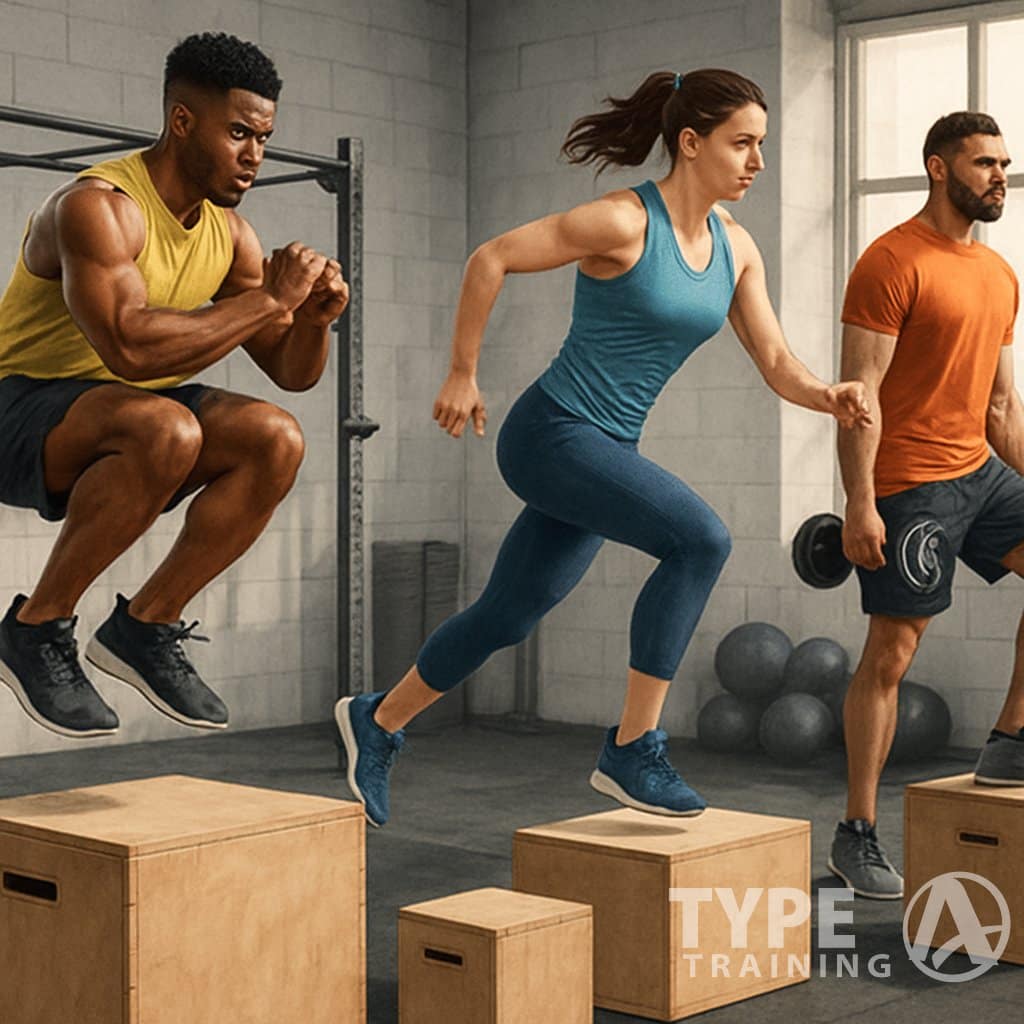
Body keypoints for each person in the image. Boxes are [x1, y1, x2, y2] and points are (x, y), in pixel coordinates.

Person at [336, 68, 872, 829]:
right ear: (691, 143)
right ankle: (633, 747)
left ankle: (377, 719)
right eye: (743, 143)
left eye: (763, 145)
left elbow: (778, 363)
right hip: (550, 433)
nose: (757, 161)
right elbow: (490, 257)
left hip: (602, 449)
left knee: (506, 617)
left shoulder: (736, 249)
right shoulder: (624, 222)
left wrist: (831, 395)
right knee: (700, 540)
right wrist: (463, 372)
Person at [0, 33, 348, 738]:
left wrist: (311, 319)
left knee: (275, 438)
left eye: (264, 138)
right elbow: (128, 347)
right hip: (17, 404)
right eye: (240, 133)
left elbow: (292, 373)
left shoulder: (231, 236)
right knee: (166, 426)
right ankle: (35, 628)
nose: (255, 156)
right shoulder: (97, 207)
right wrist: (269, 301)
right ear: (183, 121)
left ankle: (144, 627)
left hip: (115, 411)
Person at [832, 111, 1024, 900]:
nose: (999, 176)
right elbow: (859, 399)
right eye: (984, 163)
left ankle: (1010, 739)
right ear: (939, 169)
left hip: (981, 473)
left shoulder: (1000, 273)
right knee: (891, 657)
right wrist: (859, 503)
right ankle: (858, 833)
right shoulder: (890, 261)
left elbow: (1003, 407)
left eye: (1004, 164)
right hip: (911, 486)